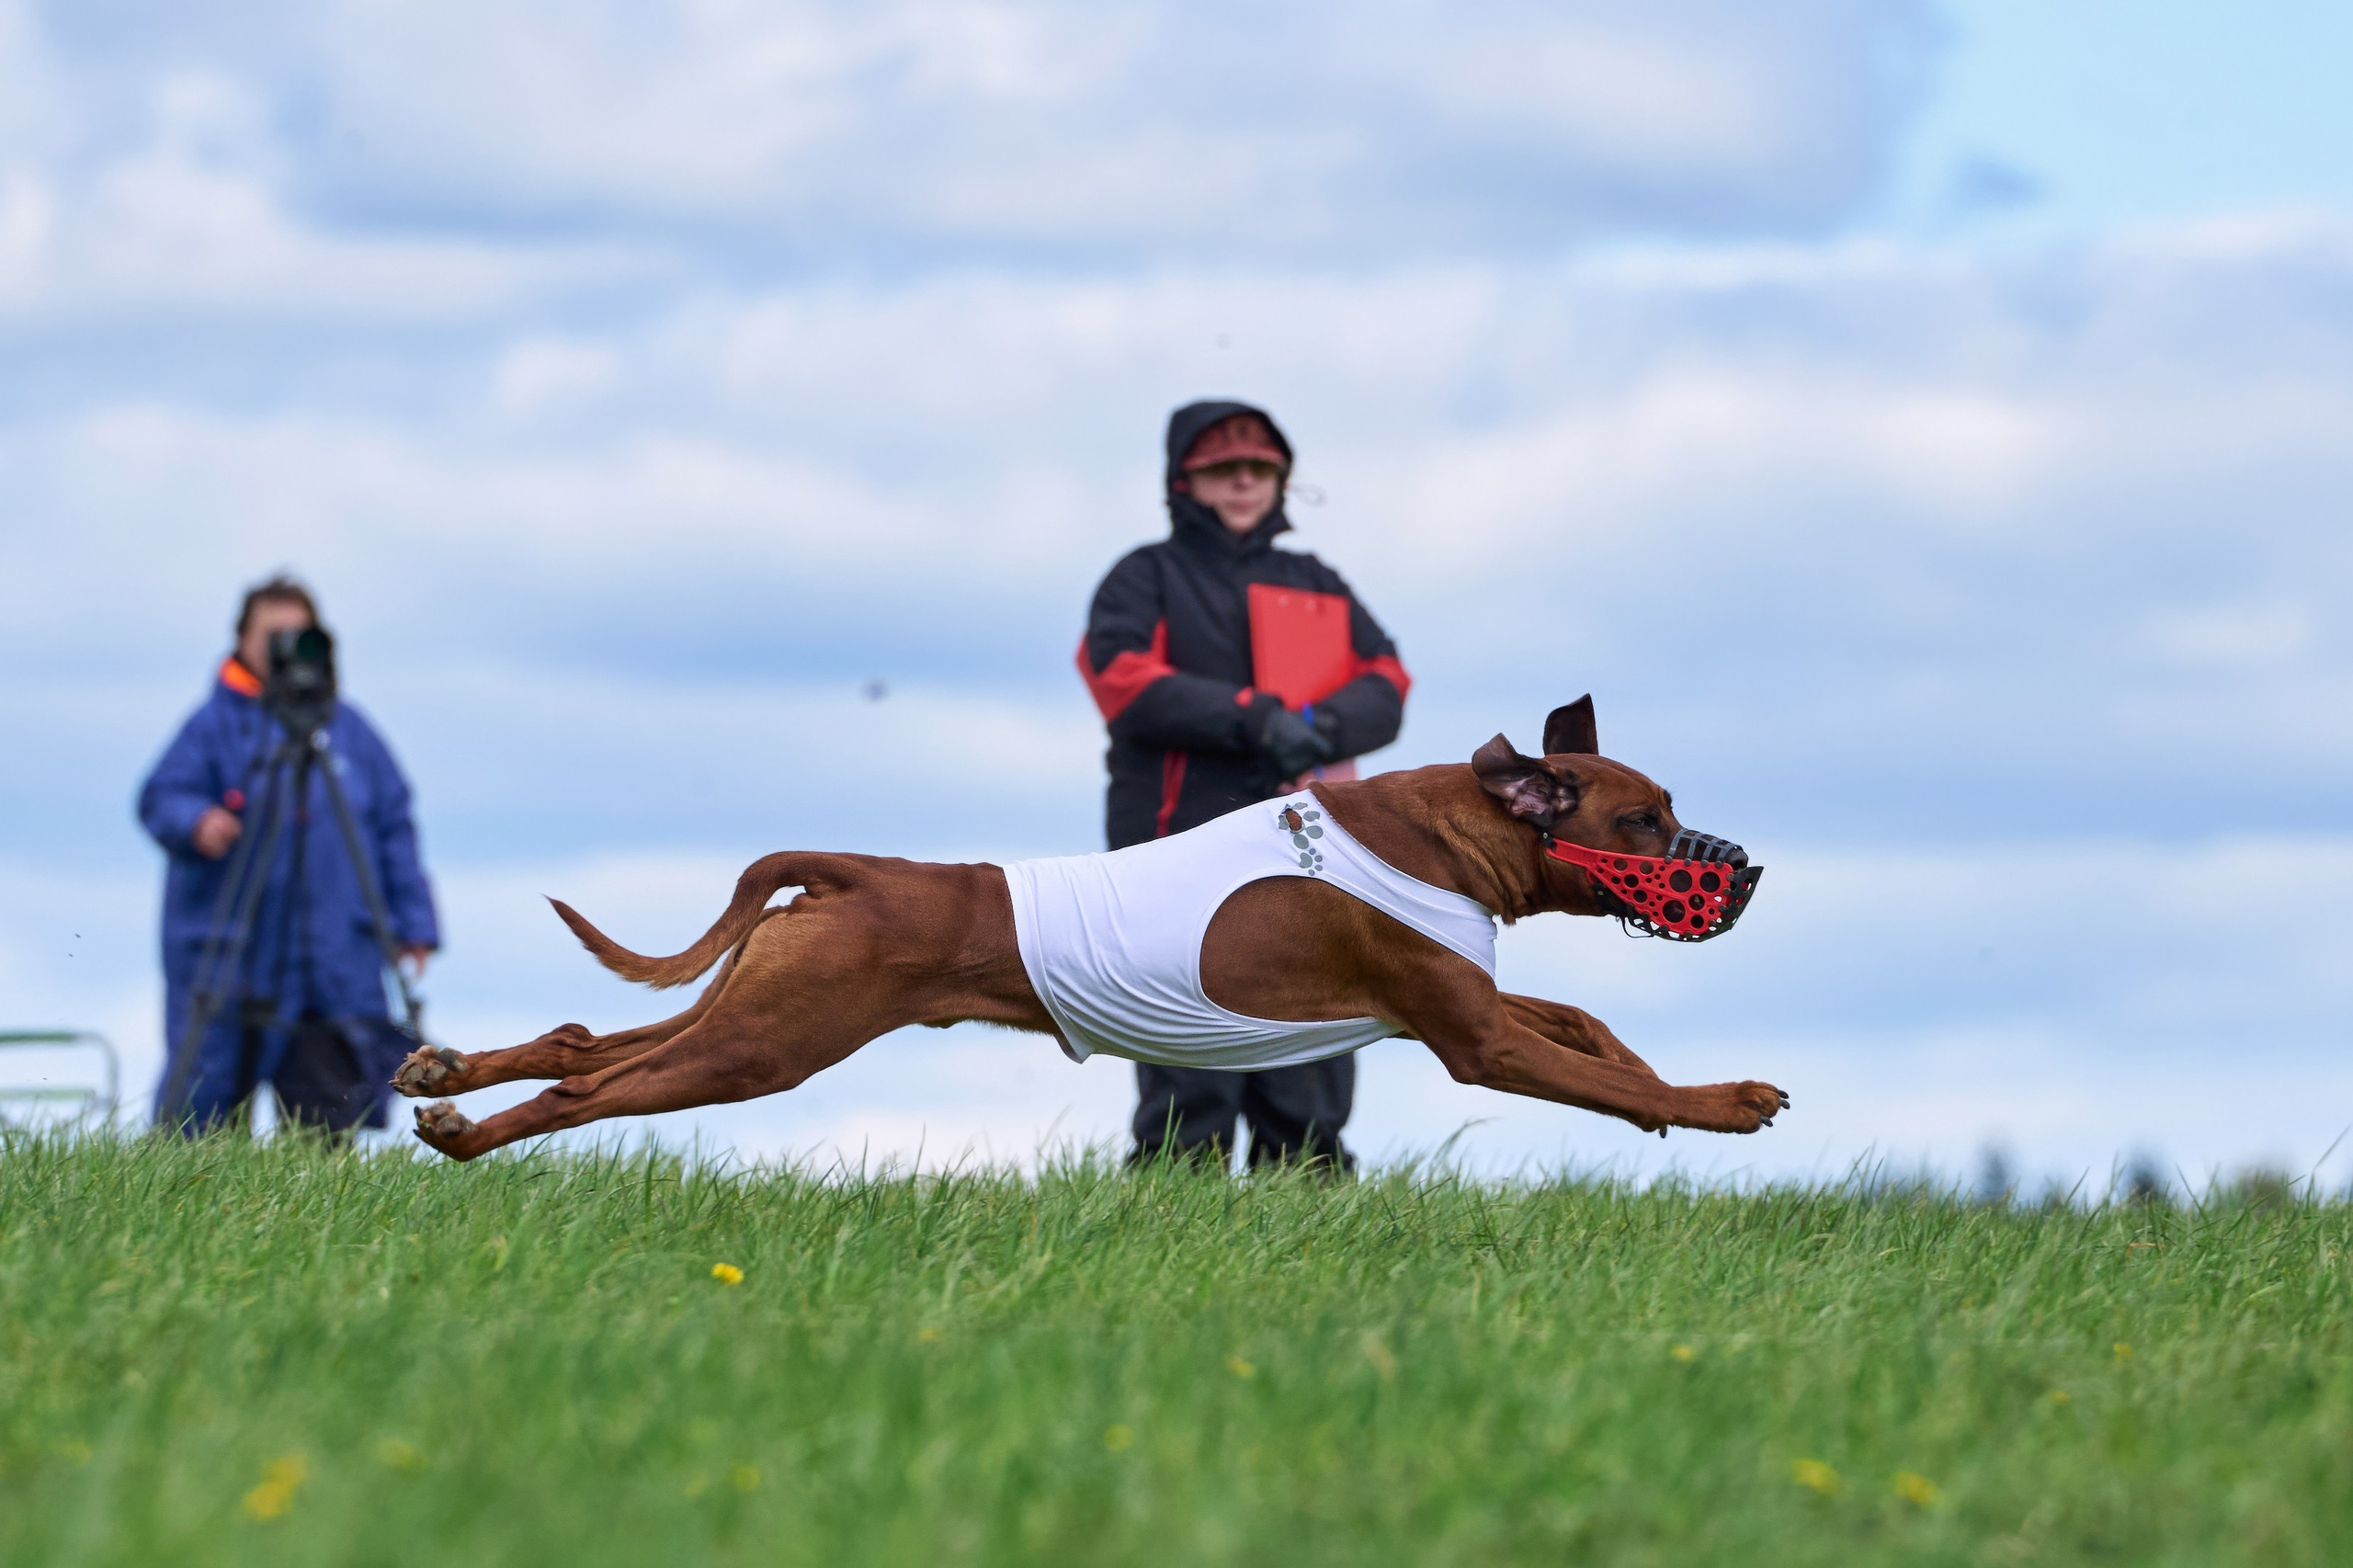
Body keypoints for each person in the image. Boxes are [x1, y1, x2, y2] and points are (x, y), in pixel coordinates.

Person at [1077, 400, 1410, 1170]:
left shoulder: (1316, 580)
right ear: (1183, 481)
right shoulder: (1144, 576)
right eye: (1222, 470)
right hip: (1175, 838)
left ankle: (1309, 1191)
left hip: (1305, 843)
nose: (1242, 483)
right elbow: (1121, 679)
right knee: (1188, 1018)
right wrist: (1254, 717)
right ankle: (1173, 1190)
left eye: (1258, 469)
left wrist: (1318, 728)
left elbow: (1387, 682)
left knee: (1313, 1013)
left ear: (1281, 480)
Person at [138, 576, 439, 1133]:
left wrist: (414, 923)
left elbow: (394, 825)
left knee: (327, 1116)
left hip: (330, 958)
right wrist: (197, 820)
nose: (285, 648)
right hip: (228, 950)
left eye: (299, 635)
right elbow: (159, 798)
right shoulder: (213, 727)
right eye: (273, 635)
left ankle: (322, 1212)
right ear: (242, 640)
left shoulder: (350, 732)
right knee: (200, 1107)